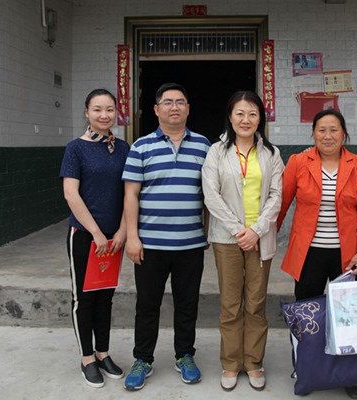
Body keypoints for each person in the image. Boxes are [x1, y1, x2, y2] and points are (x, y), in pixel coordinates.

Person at [277, 109, 357, 399]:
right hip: (308, 253)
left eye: (334, 130)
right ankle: (305, 367)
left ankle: (351, 373)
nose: (328, 136)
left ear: (344, 134)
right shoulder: (298, 162)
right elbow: (281, 203)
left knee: (350, 316)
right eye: (322, 130)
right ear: (313, 134)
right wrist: (266, 238)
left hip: (347, 255)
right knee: (306, 313)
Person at [122, 83, 211, 391]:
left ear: (188, 109)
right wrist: (132, 237)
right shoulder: (140, 147)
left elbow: (209, 194)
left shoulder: (204, 146)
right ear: (156, 109)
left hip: (190, 244)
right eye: (168, 102)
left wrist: (206, 232)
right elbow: (131, 195)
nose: (175, 107)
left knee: (187, 304)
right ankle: (142, 359)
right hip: (150, 245)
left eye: (181, 102)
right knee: (147, 305)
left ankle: (185, 355)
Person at [202, 91, 284, 392]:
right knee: (230, 303)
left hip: (260, 239)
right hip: (227, 239)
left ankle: (253, 362)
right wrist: (239, 230)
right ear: (230, 116)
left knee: (256, 303)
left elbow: (276, 196)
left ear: (260, 118)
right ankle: (231, 362)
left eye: (252, 113)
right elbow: (211, 195)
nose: (245, 119)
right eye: (240, 113)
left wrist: (256, 230)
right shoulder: (216, 152)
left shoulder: (272, 153)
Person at [60, 88, 130, 388]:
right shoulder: (76, 148)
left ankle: (103, 352)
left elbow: (130, 192)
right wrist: (97, 233)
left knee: (105, 297)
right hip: (85, 236)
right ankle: (87, 358)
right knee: (84, 298)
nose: (104, 115)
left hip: (115, 239)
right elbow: (70, 193)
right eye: (98, 109)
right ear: (86, 112)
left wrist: (123, 230)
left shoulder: (123, 148)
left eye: (110, 109)